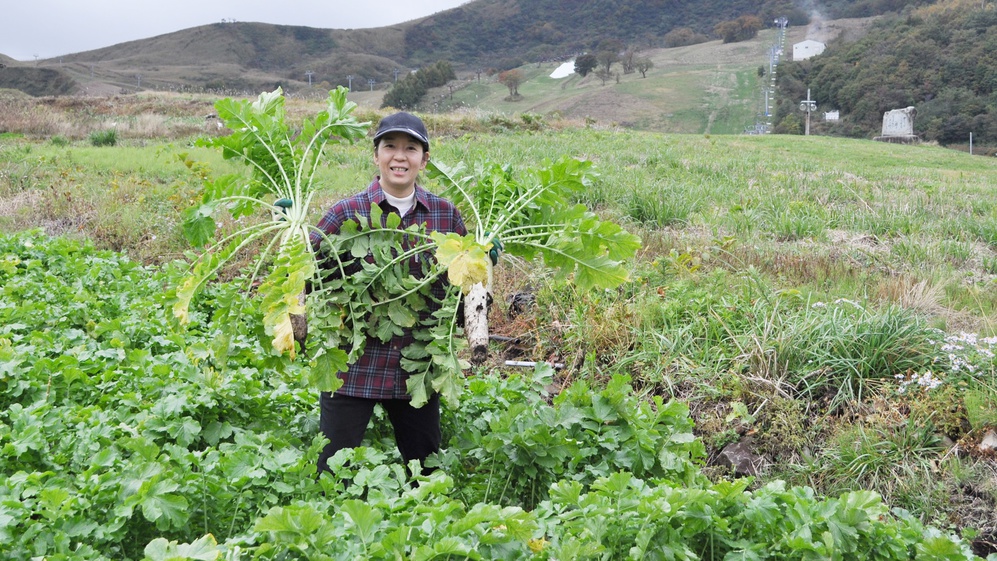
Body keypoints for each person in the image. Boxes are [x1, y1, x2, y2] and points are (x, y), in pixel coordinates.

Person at [310, 112, 466, 476]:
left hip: (417, 370)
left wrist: (482, 260)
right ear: (376, 155)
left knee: (425, 471)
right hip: (352, 366)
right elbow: (307, 272)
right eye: (390, 147)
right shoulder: (345, 213)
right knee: (330, 471)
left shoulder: (446, 215)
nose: (400, 157)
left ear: (424, 159)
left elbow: (460, 286)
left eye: (410, 148)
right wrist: (295, 236)